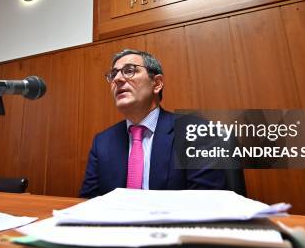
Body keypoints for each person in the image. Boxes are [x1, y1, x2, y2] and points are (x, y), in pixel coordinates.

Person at [79, 49, 227, 198]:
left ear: (156, 84)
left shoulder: (195, 132)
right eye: (113, 74)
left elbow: (206, 203)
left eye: (129, 71)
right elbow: (87, 201)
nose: (117, 79)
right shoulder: (102, 142)